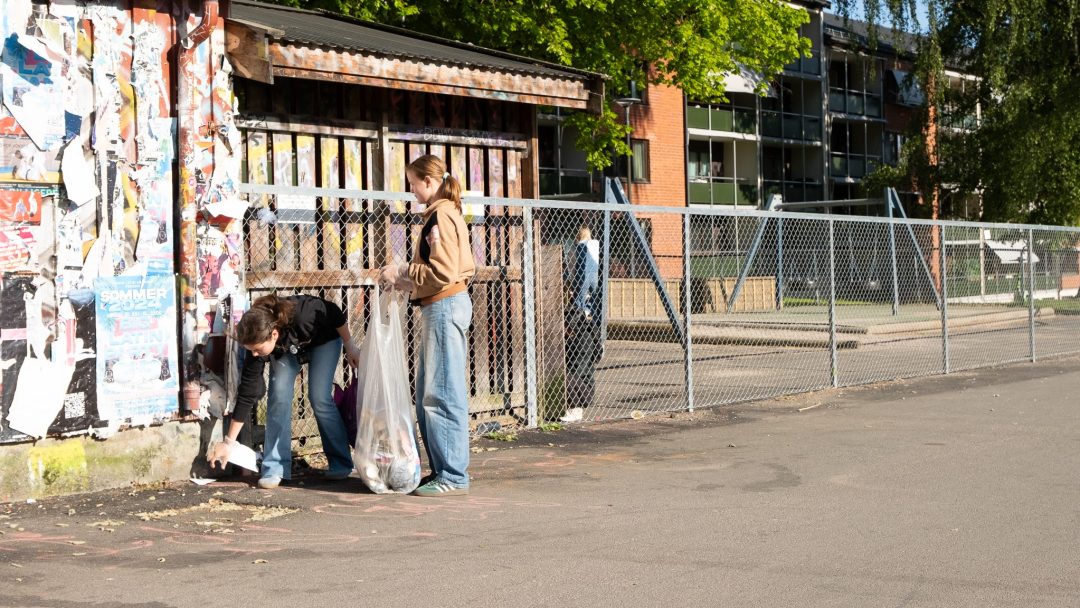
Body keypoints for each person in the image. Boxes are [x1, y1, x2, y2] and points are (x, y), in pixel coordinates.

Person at [379, 154, 475, 497]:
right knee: (430, 393)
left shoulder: (441, 216)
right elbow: (439, 273)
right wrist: (409, 282)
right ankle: (444, 470)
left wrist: (403, 271)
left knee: (441, 393)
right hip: (441, 305)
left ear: (429, 183)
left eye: (413, 183)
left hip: (445, 307)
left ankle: (452, 475)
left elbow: (443, 272)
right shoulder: (443, 214)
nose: (412, 190)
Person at [208, 293, 362, 489]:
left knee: (319, 397)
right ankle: (275, 468)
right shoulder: (258, 346)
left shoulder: (304, 313)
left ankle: (341, 463)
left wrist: (350, 346)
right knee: (278, 396)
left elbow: (335, 313)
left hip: (324, 339)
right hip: (285, 349)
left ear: (273, 334)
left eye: (257, 349)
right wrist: (229, 442)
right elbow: (247, 394)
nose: (254, 354)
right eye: (251, 350)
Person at [570, 226, 600, 317]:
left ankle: (581, 314)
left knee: (580, 296)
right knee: (595, 296)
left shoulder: (580, 245)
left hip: (584, 273)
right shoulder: (596, 243)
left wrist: (574, 281)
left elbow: (577, 263)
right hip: (595, 273)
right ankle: (589, 311)